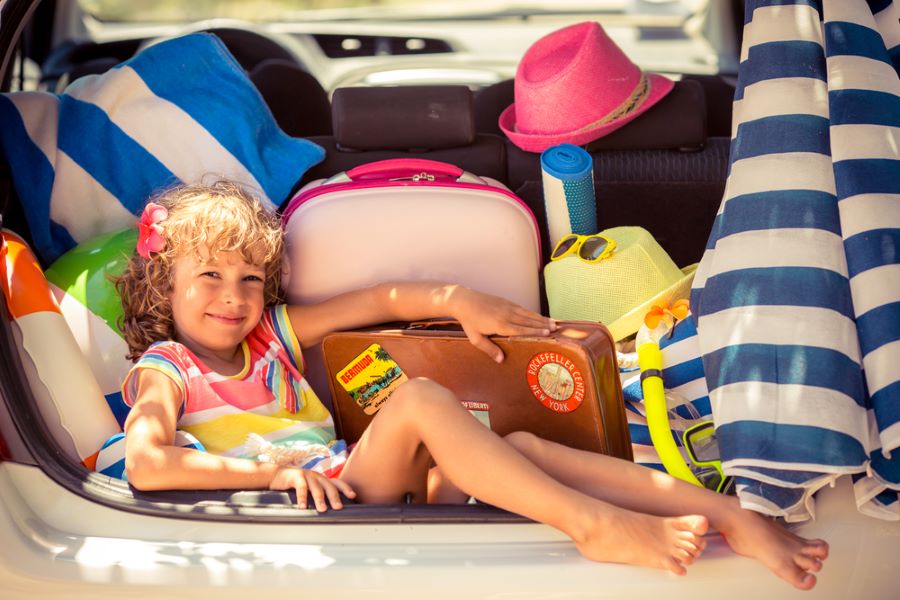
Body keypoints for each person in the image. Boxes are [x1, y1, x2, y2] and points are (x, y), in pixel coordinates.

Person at [117, 181, 829, 590]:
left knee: (522, 445)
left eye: (248, 279)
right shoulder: (168, 368)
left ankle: (729, 515)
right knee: (422, 401)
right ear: (163, 285)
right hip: (318, 507)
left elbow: (381, 300)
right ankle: (593, 526)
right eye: (208, 276)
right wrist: (266, 474)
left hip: (353, 481)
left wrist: (457, 299)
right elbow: (148, 464)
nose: (233, 297)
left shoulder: (271, 337)